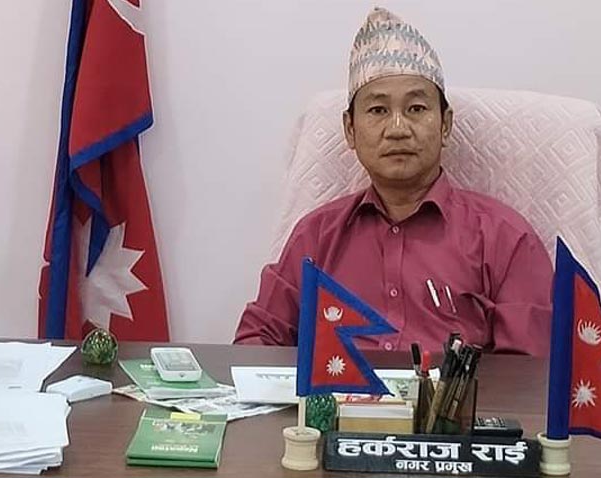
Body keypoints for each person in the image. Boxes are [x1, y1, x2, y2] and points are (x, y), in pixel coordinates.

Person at [234, 7, 552, 355]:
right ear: (350, 130)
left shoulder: (505, 238)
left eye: (416, 109)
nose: (398, 129)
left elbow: (529, 371)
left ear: (445, 124)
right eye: (378, 110)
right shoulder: (316, 235)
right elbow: (255, 343)